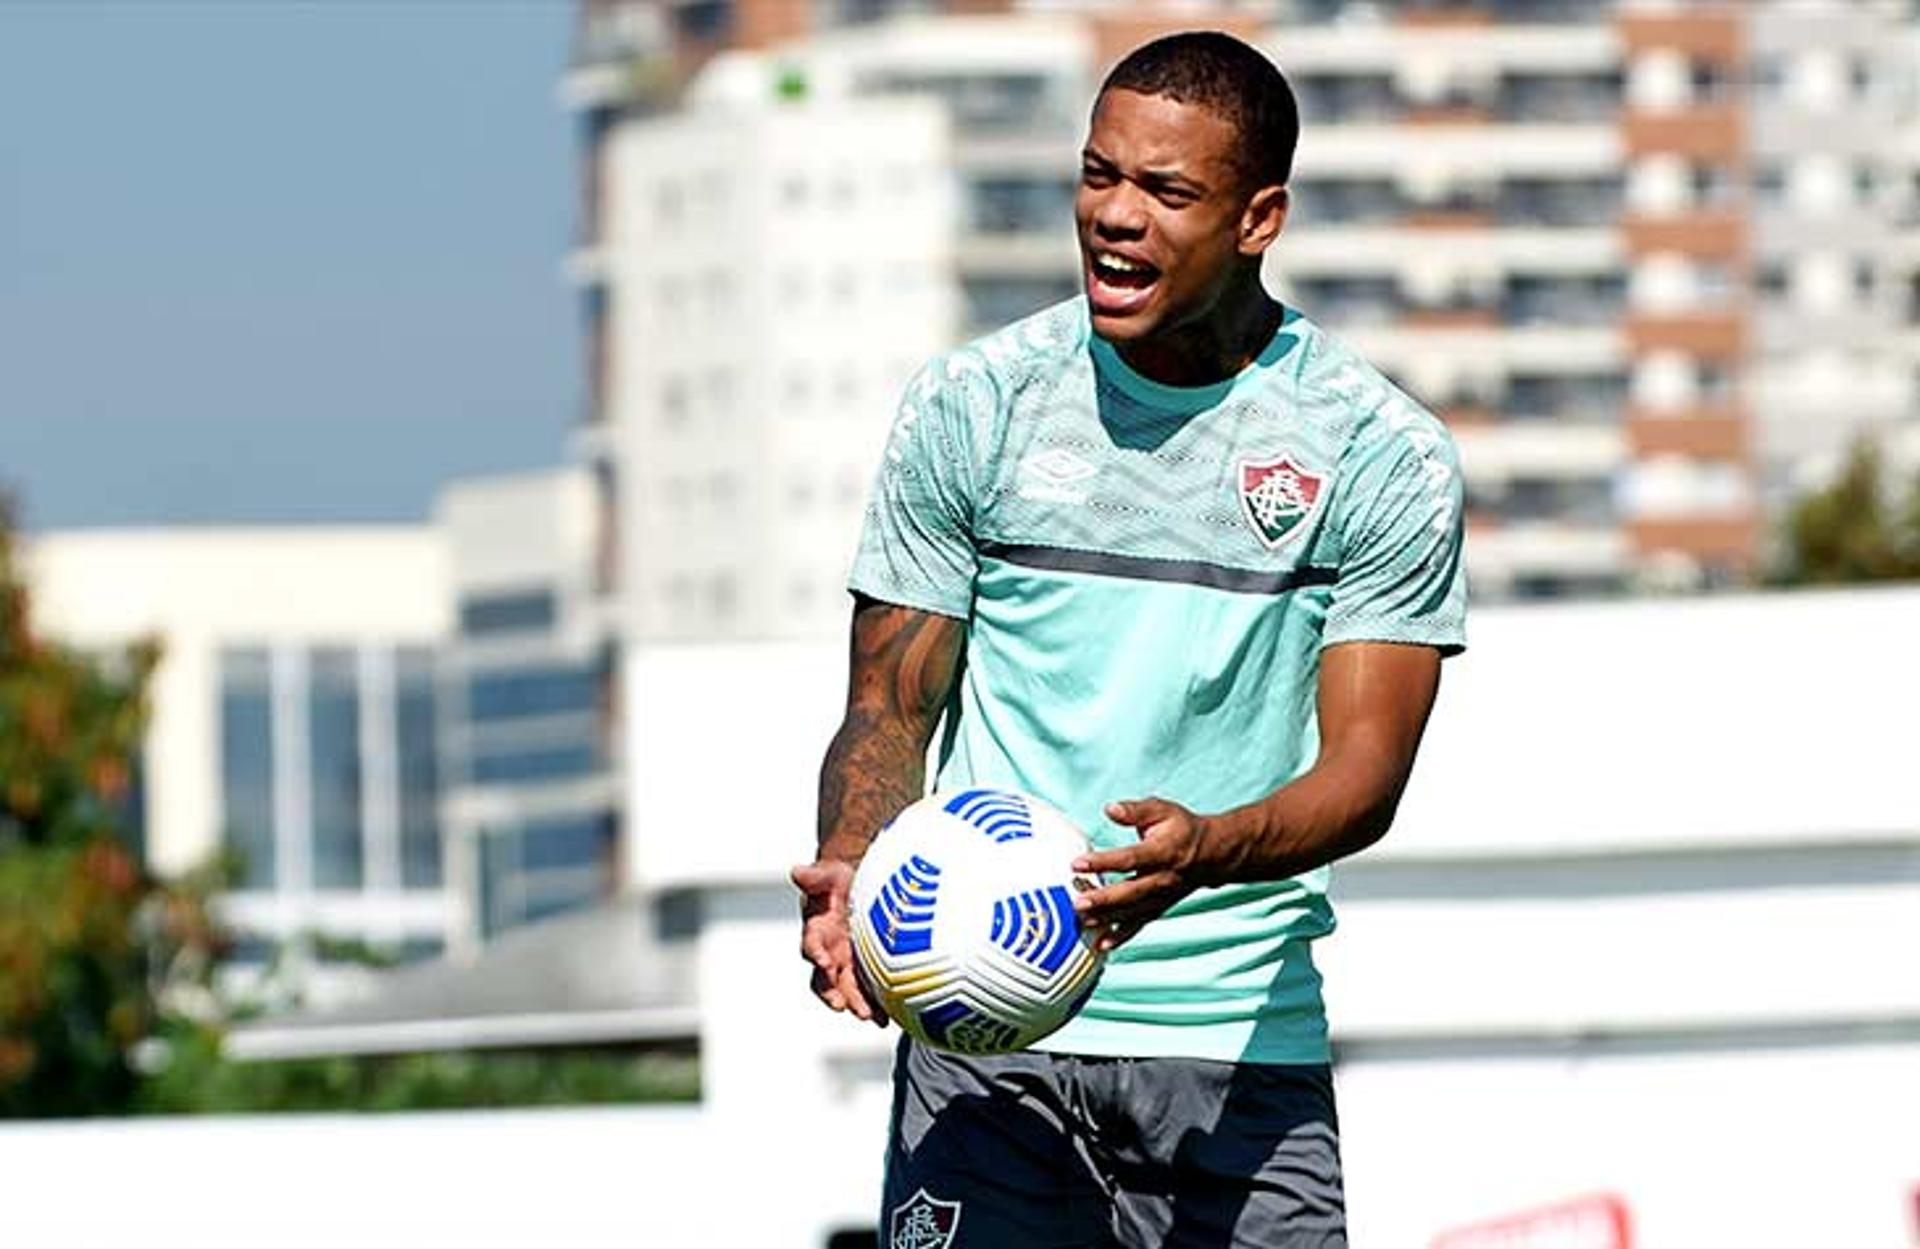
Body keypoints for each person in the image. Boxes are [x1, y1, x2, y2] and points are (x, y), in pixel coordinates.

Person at [792, 30, 1465, 1249]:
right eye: (1099, 176)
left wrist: (1210, 849)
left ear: (1259, 218)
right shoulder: (974, 407)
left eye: (1166, 191)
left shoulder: (1376, 449)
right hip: (982, 1033)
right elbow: (892, 705)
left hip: (1237, 1056)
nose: (1115, 216)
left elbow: (1366, 775)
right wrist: (854, 858)